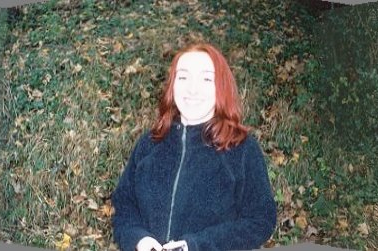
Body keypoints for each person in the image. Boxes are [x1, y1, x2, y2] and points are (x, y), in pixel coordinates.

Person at [110, 40, 275, 251]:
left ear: (220, 87)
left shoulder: (242, 149)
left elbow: (260, 221)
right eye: (183, 77)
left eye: (206, 78)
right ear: (173, 85)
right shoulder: (149, 144)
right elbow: (124, 205)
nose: (193, 89)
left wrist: (196, 245)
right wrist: (139, 240)